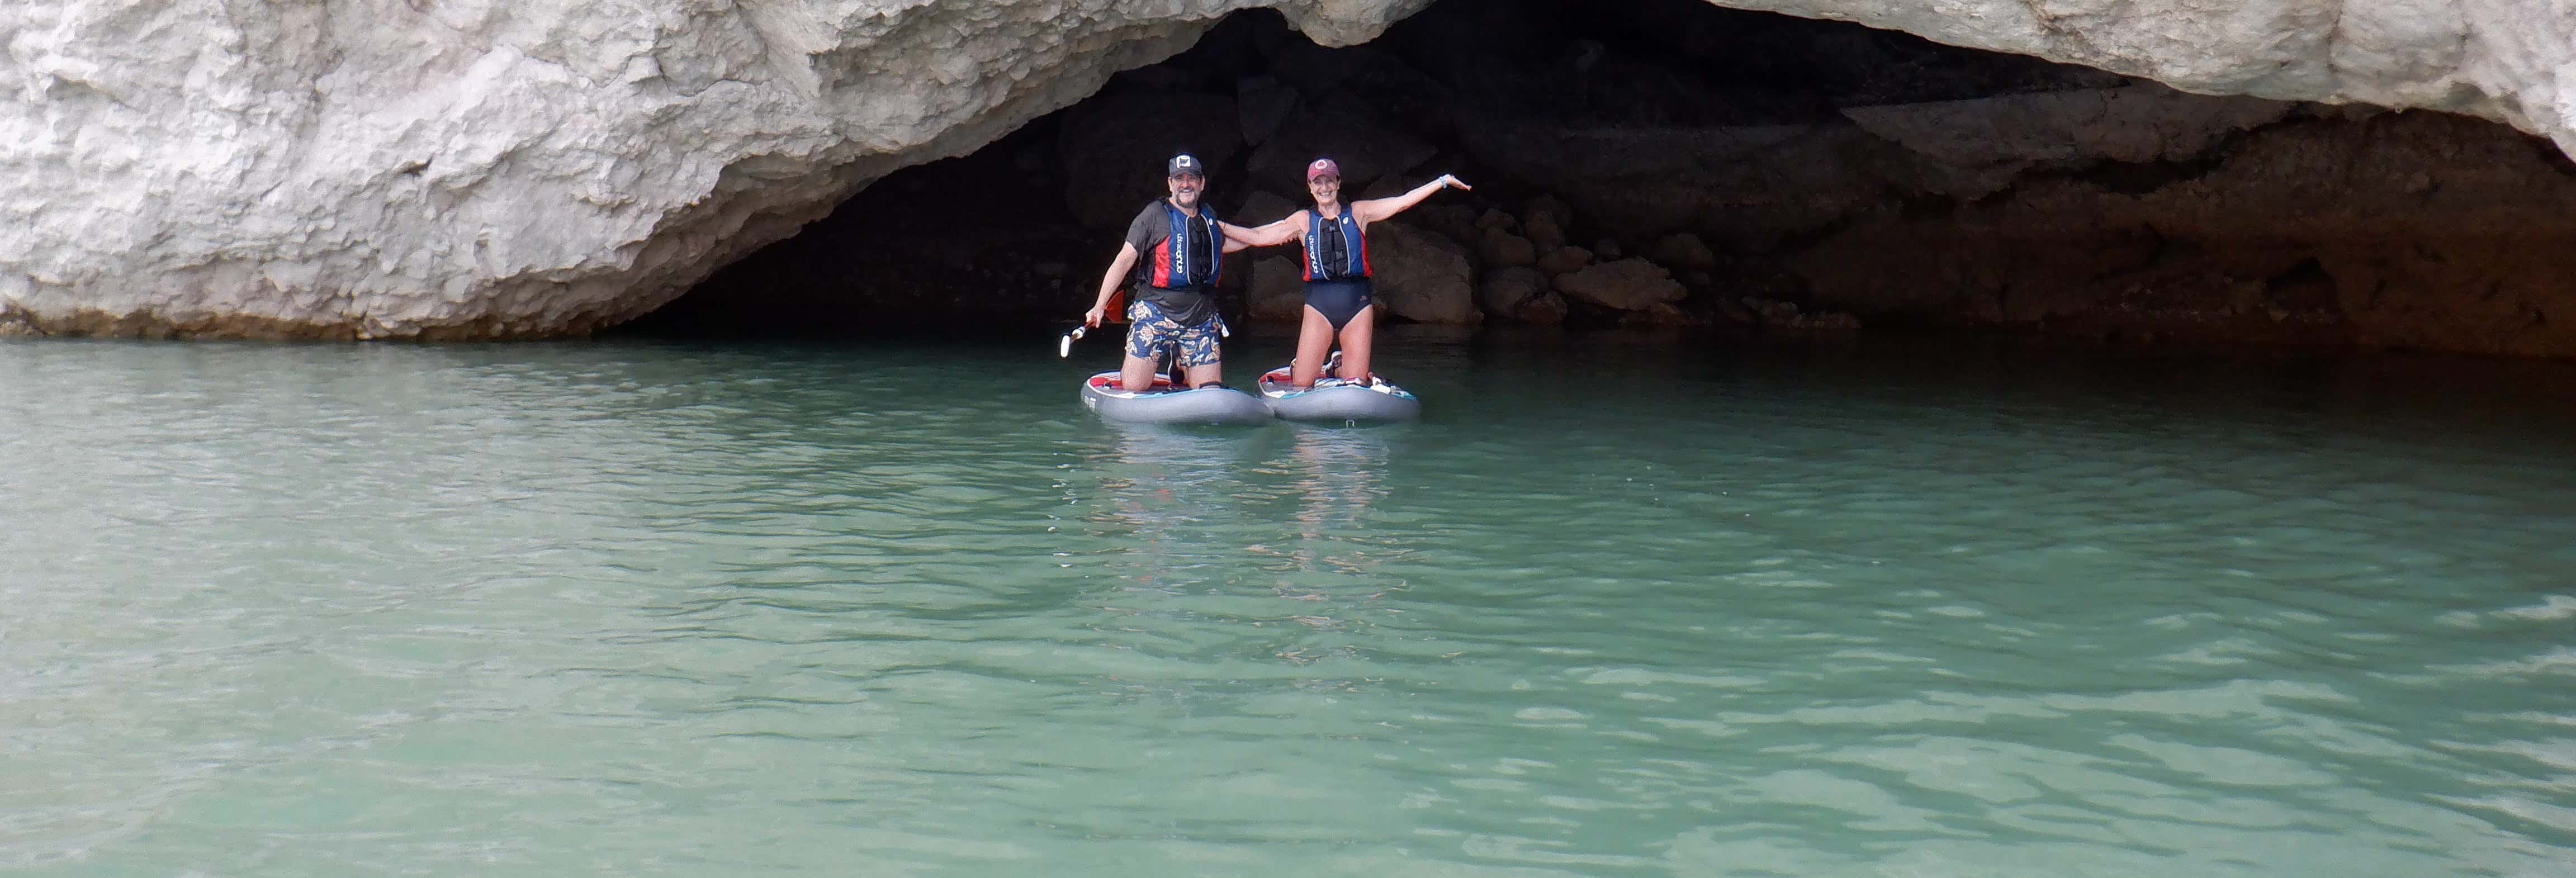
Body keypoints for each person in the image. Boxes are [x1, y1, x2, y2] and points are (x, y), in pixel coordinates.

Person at [1228, 160, 1470, 390]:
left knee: (1356, 382)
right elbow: (1257, 237)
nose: (1325, 188)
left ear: (1339, 183)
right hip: (1319, 306)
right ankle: (1316, 367)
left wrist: (1442, 181)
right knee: (1302, 383)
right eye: (1318, 182)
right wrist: (1214, 225)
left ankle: (1338, 368)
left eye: (1330, 181)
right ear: (1310, 188)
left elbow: (1402, 202)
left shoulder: (1359, 213)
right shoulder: (1302, 221)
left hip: (1358, 305)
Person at [1082, 153, 1259, 392]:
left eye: (1192, 179)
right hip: (1156, 310)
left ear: (1202, 183)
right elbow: (1124, 260)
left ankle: (1180, 363)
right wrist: (1100, 304)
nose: (1186, 184)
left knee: (1210, 391)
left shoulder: (1208, 218)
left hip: (1200, 315)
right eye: (1180, 179)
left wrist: (1270, 237)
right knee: (1134, 386)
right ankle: (1151, 361)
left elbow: (1226, 245)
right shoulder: (1153, 216)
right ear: (1170, 183)